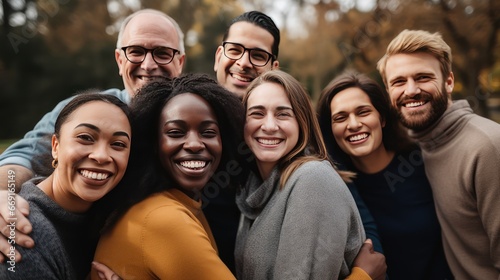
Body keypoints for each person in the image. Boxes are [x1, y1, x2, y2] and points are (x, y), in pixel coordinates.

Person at [0, 8, 185, 263]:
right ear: (120, 60)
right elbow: (20, 156)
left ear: (180, 62)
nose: (149, 64)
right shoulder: (87, 110)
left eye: (163, 53)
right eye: (136, 51)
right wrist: (5, 195)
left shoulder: (195, 118)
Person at [91, 73, 244, 279]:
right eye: (175, 133)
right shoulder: (163, 218)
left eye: (208, 132)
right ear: (154, 144)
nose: (194, 144)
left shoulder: (182, 203)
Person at [377, 29, 500, 278]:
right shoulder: (412, 144)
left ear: (449, 82)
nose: (411, 91)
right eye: (398, 82)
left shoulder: (487, 147)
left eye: (423, 77)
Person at [317, 70, 453, 279]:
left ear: (382, 118)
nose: (353, 125)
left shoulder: (421, 161)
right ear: (331, 130)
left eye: (363, 112)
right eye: (340, 117)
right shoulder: (335, 185)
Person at [235, 69, 369, 279]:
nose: (269, 126)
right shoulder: (254, 188)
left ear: (302, 123)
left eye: (283, 114)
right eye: (257, 113)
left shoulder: (313, 180)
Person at [0, 92, 132, 279]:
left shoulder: (112, 218)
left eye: (118, 144)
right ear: (55, 146)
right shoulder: (22, 230)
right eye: (86, 138)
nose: (101, 155)